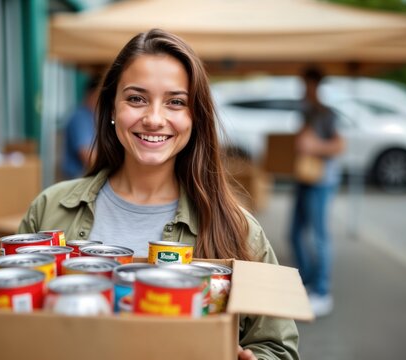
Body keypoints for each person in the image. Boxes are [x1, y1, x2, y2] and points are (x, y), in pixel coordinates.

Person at [19, 29, 299, 360]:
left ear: (195, 117)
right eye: (136, 98)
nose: (153, 119)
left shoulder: (239, 228)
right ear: (110, 108)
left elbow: (277, 347)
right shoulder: (49, 208)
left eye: (176, 102)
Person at [289, 67, 345, 317]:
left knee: (320, 236)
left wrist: (314, 145)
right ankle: (309, 281)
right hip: (304, 177)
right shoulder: (305, 111)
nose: (304, 89)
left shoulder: (326, 113)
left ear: (316, 85)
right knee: (294, 233)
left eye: (307, 84)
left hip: (322, 181)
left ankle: (322, 291)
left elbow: (339, 145)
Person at [61, 77, 100, 179]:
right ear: (91, 94)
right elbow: (87, 156)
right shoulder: (80, 117)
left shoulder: (92, 116)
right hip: (78, 178)